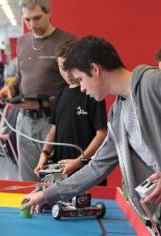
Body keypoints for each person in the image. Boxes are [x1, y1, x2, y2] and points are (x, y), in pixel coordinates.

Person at [22, 36, 161, 235]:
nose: (81, 87)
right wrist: (48, 195)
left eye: (80, 79)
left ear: (95, 69)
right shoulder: (117, 114)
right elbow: (98, 166)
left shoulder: (156, 83)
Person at [0, 0, 76, 181]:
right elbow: (20, 75)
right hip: (24, 120)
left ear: (49, 12)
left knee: (55, 180)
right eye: (27, 20)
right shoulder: (23, 41)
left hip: (53, 121)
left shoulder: (67, 40)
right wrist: (9, 88)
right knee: (28, 180)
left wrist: (51, 103)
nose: (32, 25)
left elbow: (77, 84)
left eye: (37, 18)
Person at [33, 40, 108, 178]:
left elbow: (102, 133)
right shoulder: (61, 93)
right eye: (63, 68)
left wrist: (80, 160)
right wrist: (44, 154)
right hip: (62, 169)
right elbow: (53, 130)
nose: (67, 74)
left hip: (88, 170)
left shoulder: (92, 92)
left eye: (71, 68)